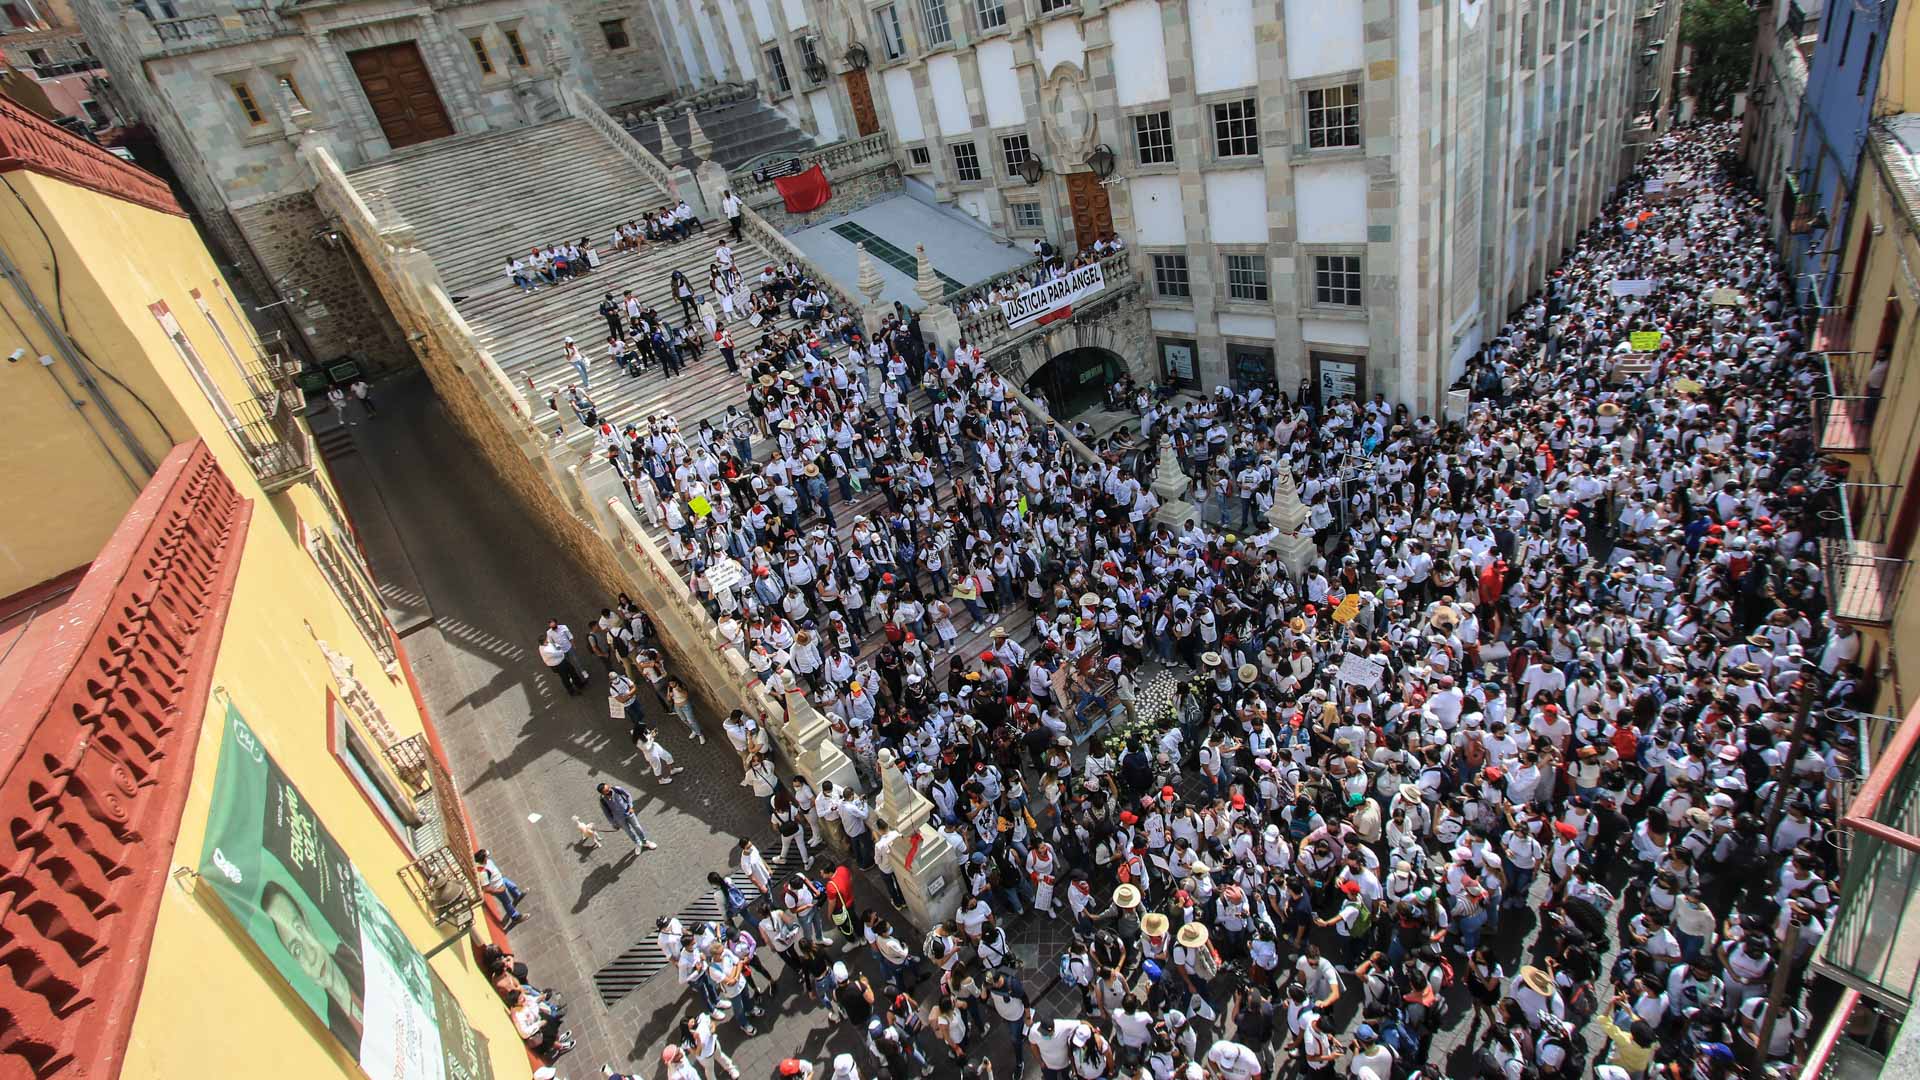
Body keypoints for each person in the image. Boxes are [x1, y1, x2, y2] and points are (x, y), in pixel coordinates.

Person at [596, 782, 658, 853]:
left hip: (628, 812)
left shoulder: (617, 789)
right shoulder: (602, 801)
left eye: (608, 787)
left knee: (637, 827)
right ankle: (638, 843)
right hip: (619, 819)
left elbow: (628, 795)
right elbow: (607, 814)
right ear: (602, 793)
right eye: (606, 791)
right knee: (629, 832)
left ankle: (645, 842)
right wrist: (613, 823)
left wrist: (630, 806)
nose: (609, 790)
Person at [474, 848, 527, 928]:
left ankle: (517, 896)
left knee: (512, 886)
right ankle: (515, 916)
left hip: (501, 880)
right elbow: (486, 888)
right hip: (498, 887)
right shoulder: (483, 873)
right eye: (486, 855)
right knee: (507, 902)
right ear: (484, 858)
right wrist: (499, 890)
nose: (488, 856)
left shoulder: (488, 861)